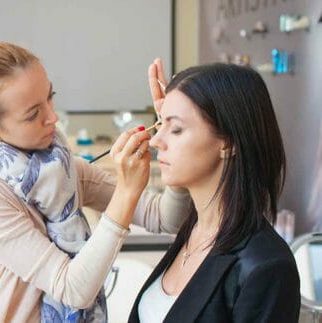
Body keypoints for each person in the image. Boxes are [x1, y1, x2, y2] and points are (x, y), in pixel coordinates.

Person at [0, 41, 190, 322]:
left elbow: (167, 219)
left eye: (50, 97)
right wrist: (125, 193)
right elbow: (72, 289)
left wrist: (171, 130)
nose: (53, 117)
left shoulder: (64, 170)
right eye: (33, 114)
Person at [128, 60, 300, 322]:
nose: (155, 141)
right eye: (160, 124)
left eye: (175, 129)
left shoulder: (266, 267)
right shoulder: (196, 229)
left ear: (228, 142)